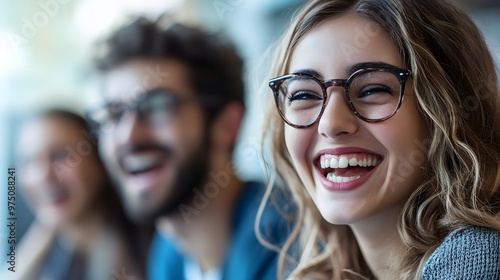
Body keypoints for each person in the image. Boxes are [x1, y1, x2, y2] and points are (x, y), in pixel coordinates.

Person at [263, 0, 500, 279]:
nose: (330, 123)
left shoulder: (475, 262)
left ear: (448, 110)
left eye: (372, 90)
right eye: (304, 95)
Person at [87, 16, 289, 280]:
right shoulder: (169, 252)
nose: (128, 136)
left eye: (157, 107)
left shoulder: (290, 246)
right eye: (114, 114)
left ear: (226, 125)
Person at [10, 109, 141, 280]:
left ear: (100, 160)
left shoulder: (145, 250)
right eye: (28, 161)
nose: (43, 176)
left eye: (61, 155)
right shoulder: (52, 246)